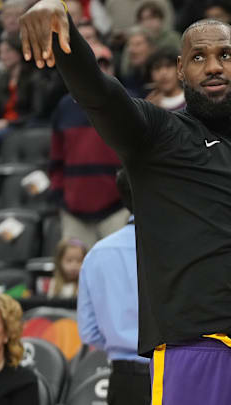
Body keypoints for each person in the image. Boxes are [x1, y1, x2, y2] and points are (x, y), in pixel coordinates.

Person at [19, 2, 231, 404]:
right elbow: (99, 92)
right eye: (198, 57)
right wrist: (65, 35)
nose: (213, 66)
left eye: (225, 55)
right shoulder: (157, 137)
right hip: (199, 357)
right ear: (181, 70)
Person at [78, 170, 150, 405]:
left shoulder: (97, 254)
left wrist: (121, 342)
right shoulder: (182, 249)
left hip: (123, 377)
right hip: (171, 372)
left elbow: (89, 331)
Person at [50, 43, 130, 247]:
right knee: (74, 276)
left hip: (117, 210)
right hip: (73, 213)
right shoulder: (64, 107)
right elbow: (56, 159)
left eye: (104, 64)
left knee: (119, 274)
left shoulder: (128, 101)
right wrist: (62, 197)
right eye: (92, 64)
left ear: (112, 68)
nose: (98, 70)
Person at [0, 32, 43, 132]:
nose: (2, 57)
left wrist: (9, 123)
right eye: (0, 53)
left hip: (23, 127)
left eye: (7, 51)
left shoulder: (34, 79)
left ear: (19, 52)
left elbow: (37, 113)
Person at [117, 26, 155, 97]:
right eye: (129, 45)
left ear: (151, 48)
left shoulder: (159, 76)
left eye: (138, 44)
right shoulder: (127, 77)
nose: (132, 50)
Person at [145, 47, 186, 111]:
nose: (163, 73)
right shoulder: (148, 106)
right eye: (157, 68)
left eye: (169, 66)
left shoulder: (192, 101)